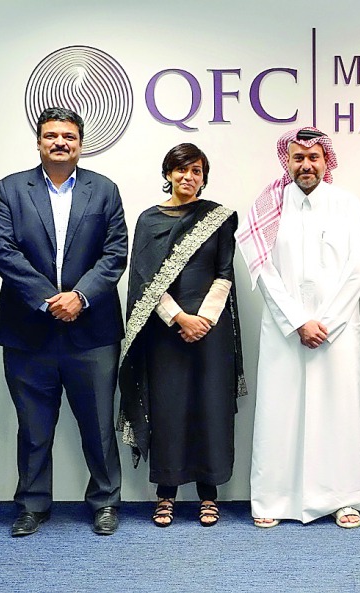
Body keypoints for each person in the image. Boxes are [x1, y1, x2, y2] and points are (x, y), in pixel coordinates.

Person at [0, 106, 128, 536]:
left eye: (68, 136)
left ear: (81, 143)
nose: (60, 142)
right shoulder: (11, 188)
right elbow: (2, 248)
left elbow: (115, 252)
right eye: (51, 135)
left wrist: (80, 296)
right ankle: (32, 504)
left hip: (92, 330)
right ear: (38, 141)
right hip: (30, 329)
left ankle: (105, 501)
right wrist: (50, 299)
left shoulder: (103, 189)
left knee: (99, 424)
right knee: (33, 427)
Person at [238, 127, 360, 529]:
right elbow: (264, 272)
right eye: (298, 158)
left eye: (314, 158)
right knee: (281, 413)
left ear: (326, 161)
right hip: (285, 330)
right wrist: (297, 322)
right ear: (287, 161)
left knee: (339, 413)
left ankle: (342, 498)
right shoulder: (268, 207)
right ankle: (273, 499)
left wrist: (324, 323)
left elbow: (357, 271)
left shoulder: (346, 204)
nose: (306, 165)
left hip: (337, 331)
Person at [118, 143, 245, 528]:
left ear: (204, 177)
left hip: (211, 329)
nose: (188, 177)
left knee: (211, 407)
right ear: (168, 173)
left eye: (196, 171)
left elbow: (225, 272)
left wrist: (202, 319)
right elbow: (143, 279)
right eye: (181, 169)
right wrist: (179, 319)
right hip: (166, 332)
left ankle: (209, 495)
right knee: (168, 409)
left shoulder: (217, 218)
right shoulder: (148, 220)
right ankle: (166, 495)